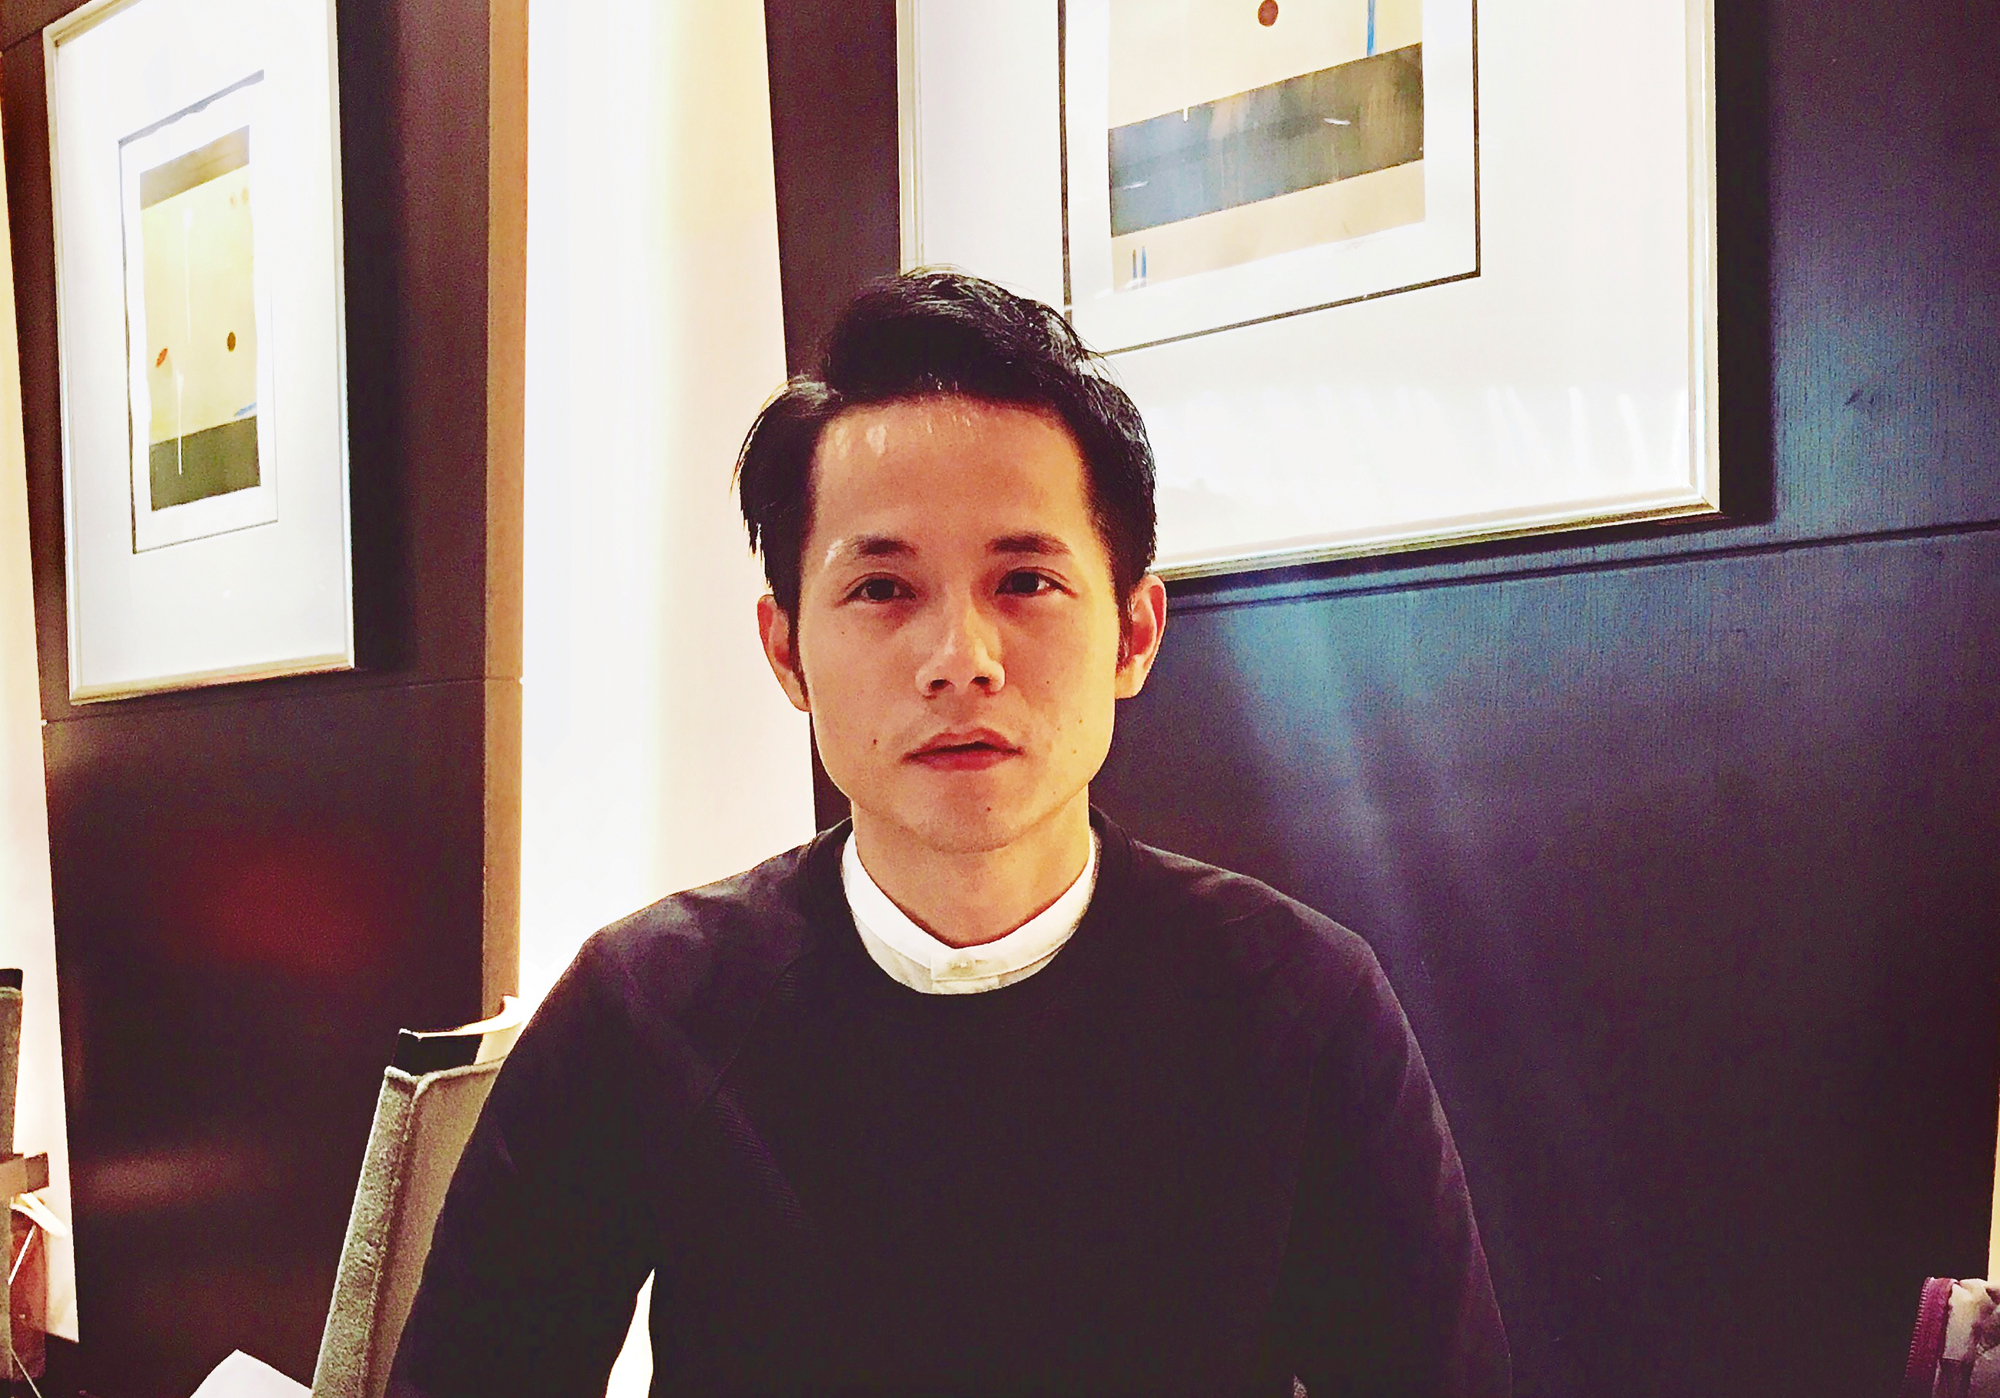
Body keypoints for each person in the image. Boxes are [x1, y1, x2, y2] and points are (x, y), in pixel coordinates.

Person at [390, 270, 1509, 1397]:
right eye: (882, 589)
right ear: (785, 651)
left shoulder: (1299, 1002)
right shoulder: (643, 1008)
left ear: (1133, 633)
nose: (961, 660)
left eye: (1024, 580)